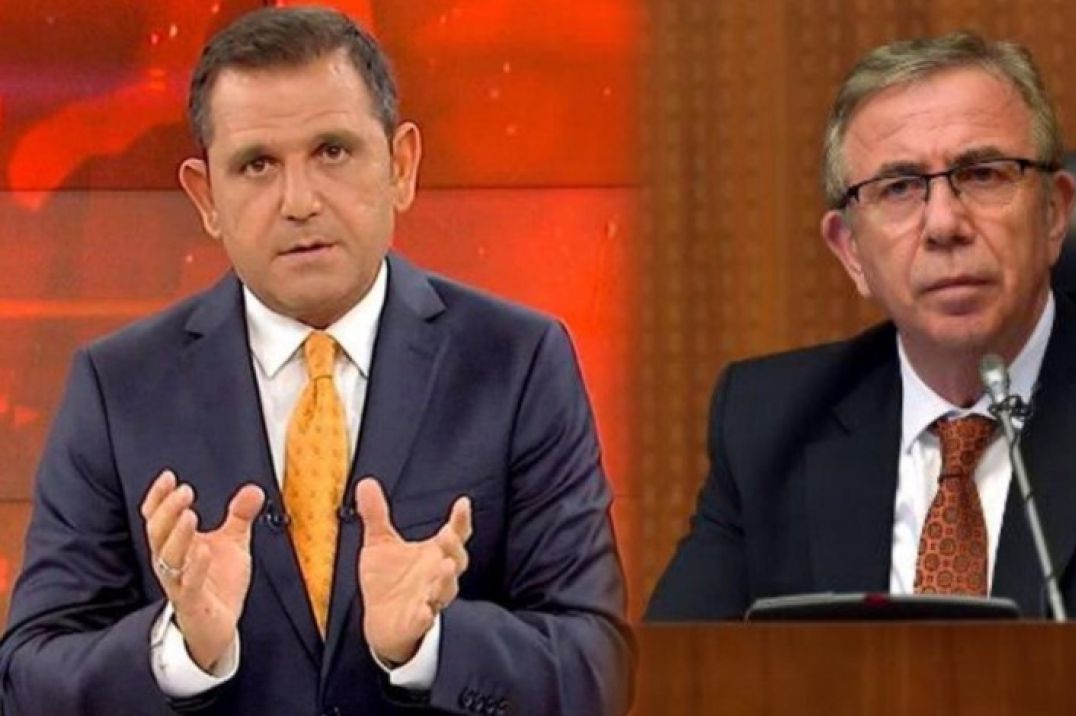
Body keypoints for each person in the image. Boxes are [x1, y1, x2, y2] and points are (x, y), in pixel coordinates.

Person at [0, 7, 630, 715]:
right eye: (257, 165)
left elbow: (596, 667)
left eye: (332, 151)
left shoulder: (516, 362)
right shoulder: (119, 387)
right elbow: (27, 677)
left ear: (401, 166)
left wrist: (431, 646)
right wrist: (179, 650)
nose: (298, 202)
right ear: (206, 198)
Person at [646, 31, 1076, 621]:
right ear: (851, 252)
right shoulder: (767, 425)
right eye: (899, 187)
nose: (945, 224)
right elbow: (679, 678)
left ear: (1054, 214)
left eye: (982, 174)